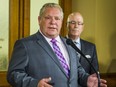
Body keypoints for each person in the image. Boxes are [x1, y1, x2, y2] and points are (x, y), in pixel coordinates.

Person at [7, 3, 107, 87]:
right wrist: (35, 83)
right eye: (48, 18)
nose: (53, 22)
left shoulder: (69, 43)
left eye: (57, 18)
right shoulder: (25, 44)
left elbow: (77, 70)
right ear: (39, 20)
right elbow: (13, 74)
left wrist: (86, 79)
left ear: (61, 21)